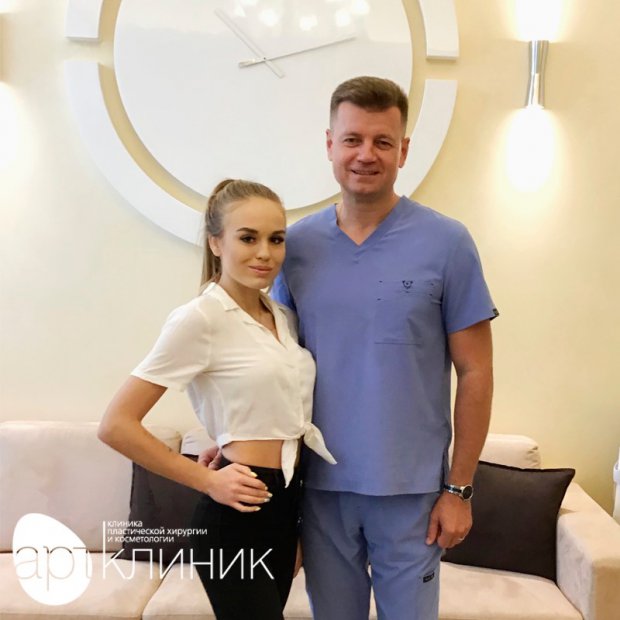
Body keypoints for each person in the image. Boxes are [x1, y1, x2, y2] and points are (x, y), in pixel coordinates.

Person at [270, 76, 498, 620]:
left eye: (382, 142)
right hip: (319, 490)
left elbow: (476, 372)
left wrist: (460, 489)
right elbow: (272, 367)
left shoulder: (447, 243)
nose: (365, 155)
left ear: (404, 150)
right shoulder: (294, 248)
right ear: (330, 144)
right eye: (352, 139)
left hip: (413, 493)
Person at [98, 179, 335, 620]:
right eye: (248, 238)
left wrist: (229, 434)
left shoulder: (282, 316)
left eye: (276, 239)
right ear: (216, 242)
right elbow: (116, 425)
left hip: (288, 503)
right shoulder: (199, 318)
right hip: (235, 514)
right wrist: (206, 480)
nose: (265, 253)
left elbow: (274, 402)